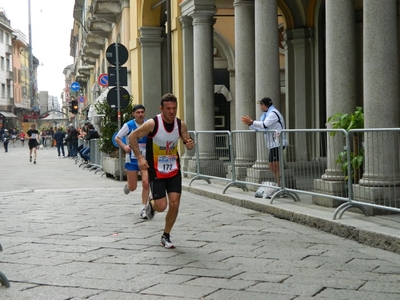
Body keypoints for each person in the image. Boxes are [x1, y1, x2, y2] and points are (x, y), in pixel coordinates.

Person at [128, 93, 194, 249]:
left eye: (174, 108)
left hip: (173, 169)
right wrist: (140, 158)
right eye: (168, 109)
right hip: (156, 170)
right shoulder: (153, 123)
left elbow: (187, 140)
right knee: (161, 206)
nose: (172, 112)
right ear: (161, 109)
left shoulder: (180, 124)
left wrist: (190, 144)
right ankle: (151, 204)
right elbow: (132, 137)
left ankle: (166, 235)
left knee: (175, 203)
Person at [241, 97, 288, 193]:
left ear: (263, 105)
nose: (260, 107)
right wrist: (250, 124)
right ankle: (279, 184)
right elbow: (261, 128)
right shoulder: (267, 114)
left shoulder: (273, 113)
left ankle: (281, 185)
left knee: (275, 164)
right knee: (271, 165)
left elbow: (264, 125)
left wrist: (252, 122)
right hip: (273, 143)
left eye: (260, 105)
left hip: (278, 143)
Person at [115, 104, 150, 219]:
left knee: (145, 182)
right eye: (138, 112)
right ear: (133, 114)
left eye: (142, 112)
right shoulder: (129, 125)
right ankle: (128, 185)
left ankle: (143, 208)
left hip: (145, 158)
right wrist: (125, 147)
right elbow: (117, 138)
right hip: (132, 159)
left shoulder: (148, 125)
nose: (140, 114)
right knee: (133, 187)